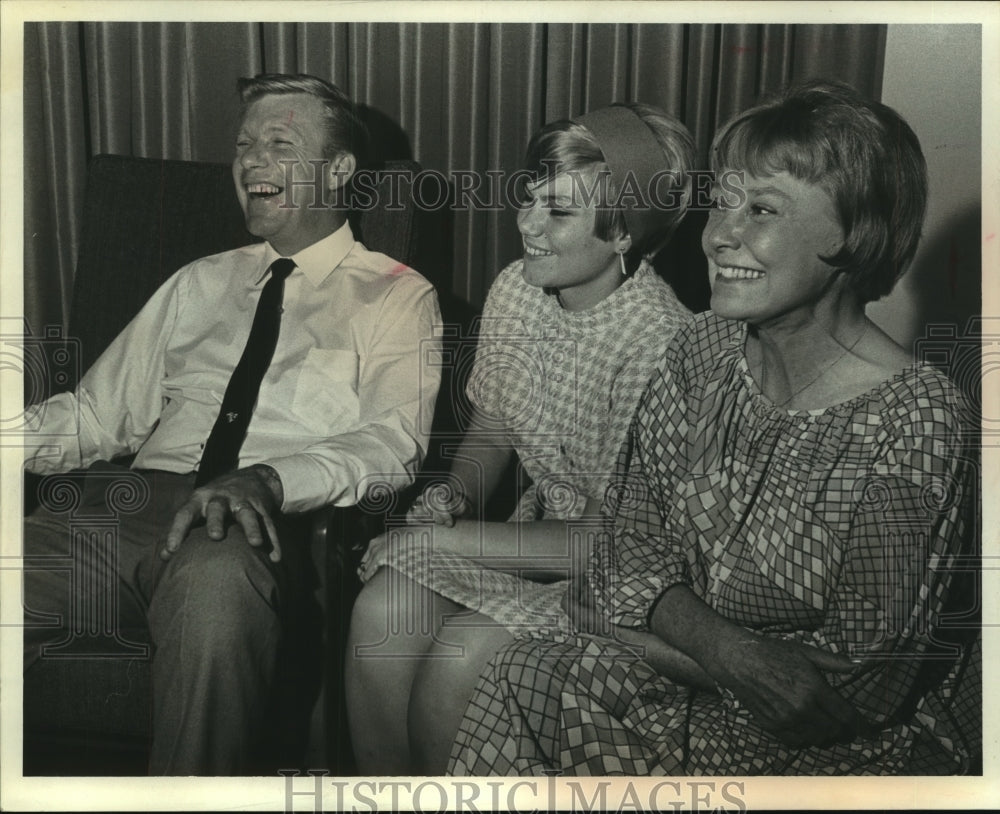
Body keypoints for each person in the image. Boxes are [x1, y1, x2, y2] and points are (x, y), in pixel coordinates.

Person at [446, 79, 979, 776]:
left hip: (825, 761)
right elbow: (625, 550)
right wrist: (731, 650)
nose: (720, 233)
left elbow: (840, 691)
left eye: (760, 208)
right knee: (519, 674)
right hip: (677, 688)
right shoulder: (700, 352)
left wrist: (638, 622)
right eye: (722, 202)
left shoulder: (918, 420)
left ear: (854, 230)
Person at [21, 73, 442, 775]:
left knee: (215, 586)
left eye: (279, 143)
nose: (250, 162)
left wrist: (267, 481)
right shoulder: (200, 281)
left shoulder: (397, 295)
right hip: (123, 515)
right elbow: (97, 415)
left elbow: (392, 443)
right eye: (244, 145)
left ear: (339, 171)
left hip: (254, 534)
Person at [346, 103, 697, 773]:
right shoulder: (518, 288)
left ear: (624, 230)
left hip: (620, 585)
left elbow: (604, 544)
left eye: (558, 211)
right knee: (383, 610)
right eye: (530, 197)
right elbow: (494, 430)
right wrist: (453, 497)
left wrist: (440, 539)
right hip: (535, 544)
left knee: (461, 659)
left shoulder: (660, 345)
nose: (527, 224)